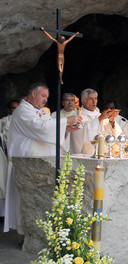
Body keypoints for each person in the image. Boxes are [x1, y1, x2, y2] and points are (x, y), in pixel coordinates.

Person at [3, 83, 82, 242]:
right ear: (33, 94)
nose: (46, 100)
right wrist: (66, 121)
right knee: (24, 202)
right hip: (25, 163)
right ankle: (23, 237)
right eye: (43, 96)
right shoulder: (22, 111)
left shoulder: (40, 112)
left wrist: (65, 130)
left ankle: (44, 234)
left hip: (42, 163)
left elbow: (49, 132)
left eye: (47, 97)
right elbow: (40, 128)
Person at [70, 88, 112, 155]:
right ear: (83, 101)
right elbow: (79, 135)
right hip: (85, 156)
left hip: (103, 154)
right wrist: (99, 119)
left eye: (95, 98)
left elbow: (110, 135)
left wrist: (112, 122)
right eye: (90, 99)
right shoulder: (77, 117)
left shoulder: (101, 115)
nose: (94, 102)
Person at [0, 100, 19, 217]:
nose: (15, 111)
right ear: (8, 110)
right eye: (13, 108)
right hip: (5, 155)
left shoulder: (22, 121)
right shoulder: (3, 121)